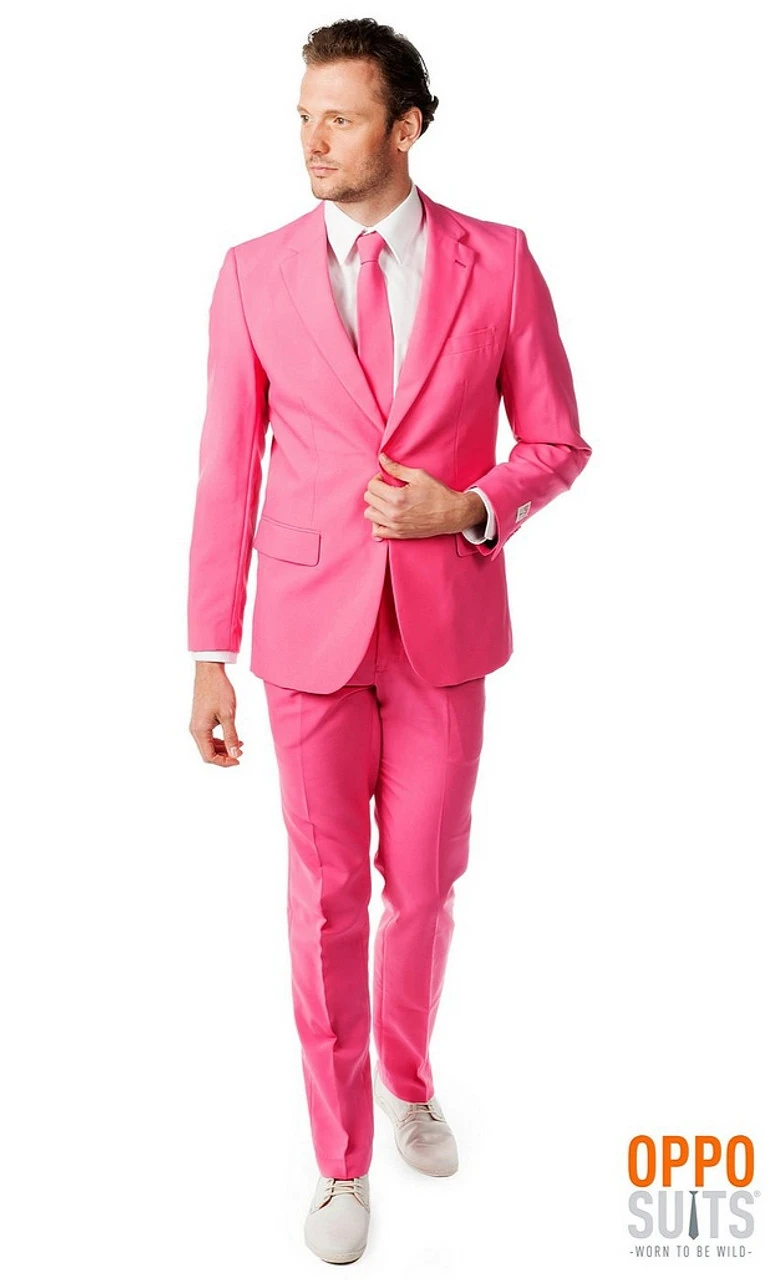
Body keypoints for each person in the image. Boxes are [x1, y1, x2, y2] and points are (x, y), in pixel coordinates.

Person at [187, 16, 591, 1265]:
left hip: (441, 629)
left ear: (406, 127)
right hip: (305, 630)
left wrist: (467, 506)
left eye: (342, 118)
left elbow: (557, 440)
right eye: (304, 116)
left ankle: (410, 1077)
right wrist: (207, 650)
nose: (313, 140)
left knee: (422, 881)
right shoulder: (251, 272)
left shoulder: (499, 260)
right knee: (323, 898)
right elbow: (226, 470)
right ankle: (340, 1155)